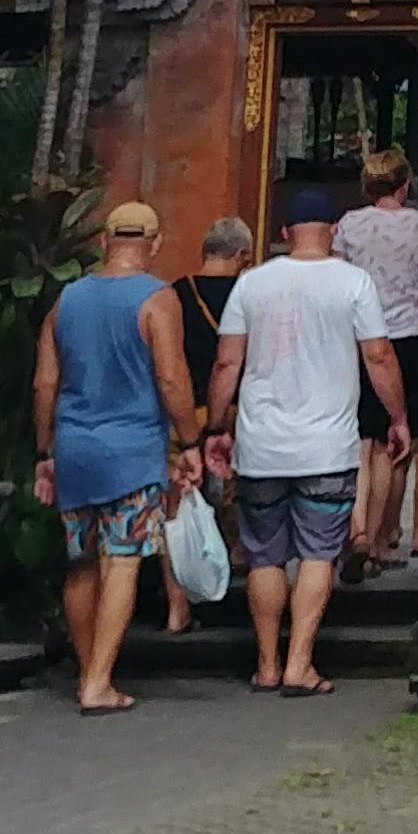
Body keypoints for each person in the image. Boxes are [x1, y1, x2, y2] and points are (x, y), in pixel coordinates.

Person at [205, 186, 408, 696]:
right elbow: (379, 356)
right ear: (335, 231)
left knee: (265, 556)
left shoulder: (251, 283)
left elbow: (228, 361)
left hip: (261, 447)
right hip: (327, 446)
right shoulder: (353, 282)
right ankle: (301, 664)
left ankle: (268, 665)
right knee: (318, 554)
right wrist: (398, 417)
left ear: (283, 234)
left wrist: (212, 428)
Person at [30, 199, 204, 714]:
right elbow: (171, 378)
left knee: (81, 562)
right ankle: (99, 682)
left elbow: (45, 381)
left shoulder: (67, 300)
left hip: (75, 449)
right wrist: (189, 441)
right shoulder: (157, 299)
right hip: (131, 452)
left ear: (104, 243)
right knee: (122, 560)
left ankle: (90, 670)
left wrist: (46, 450)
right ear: (154, 246)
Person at [334, 151, 418, 569]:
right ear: (405, 185)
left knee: (360, 439)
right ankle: (379, 541)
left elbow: (339, 283)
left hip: (357, 338)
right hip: (406, 337)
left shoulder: (348, 225)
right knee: (395, 443)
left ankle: (355, 527)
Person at [155, 217, 253, 633]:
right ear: (242, 255)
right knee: (237, 495)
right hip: (233, 410)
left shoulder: (174, 294)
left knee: (176, 506)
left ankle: (177, 603)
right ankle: (232, 574)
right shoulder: (248, 293)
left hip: (181, 409)